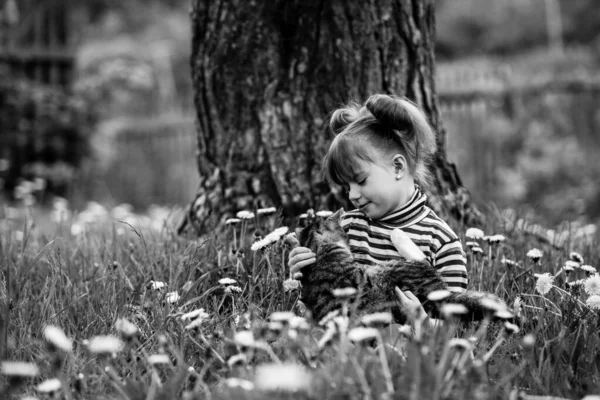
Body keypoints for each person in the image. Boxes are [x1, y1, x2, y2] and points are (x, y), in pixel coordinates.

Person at [288, 94, 469, 314]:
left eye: (361, 180)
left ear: (398, 168)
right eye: (347, 187)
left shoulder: (439, 240)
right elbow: (321, 303)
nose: (353, 195)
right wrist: (305, 274)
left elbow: (456, 322)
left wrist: (422, 322)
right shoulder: (347, 229)